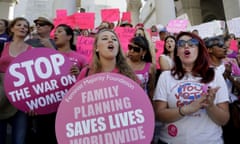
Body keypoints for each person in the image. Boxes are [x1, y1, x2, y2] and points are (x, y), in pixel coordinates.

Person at [153, 31, 230, 144]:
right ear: (177, 53)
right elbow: (159, 115)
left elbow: (224, 119)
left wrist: (210, 106)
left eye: (192, 43)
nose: (186, 46)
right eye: (181, 43)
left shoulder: (215, 75)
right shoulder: (165, 77)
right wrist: (185, 109)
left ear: (199, 50)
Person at [0, 17, 32, 144]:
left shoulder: (32, 51)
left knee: (19, 140)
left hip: (21, 99)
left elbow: (34, 79)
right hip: (1, 98)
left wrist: (33, 102)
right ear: (12, 28)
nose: (23, 27)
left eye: (25, 26)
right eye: (19, 25)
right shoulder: (2, 46)